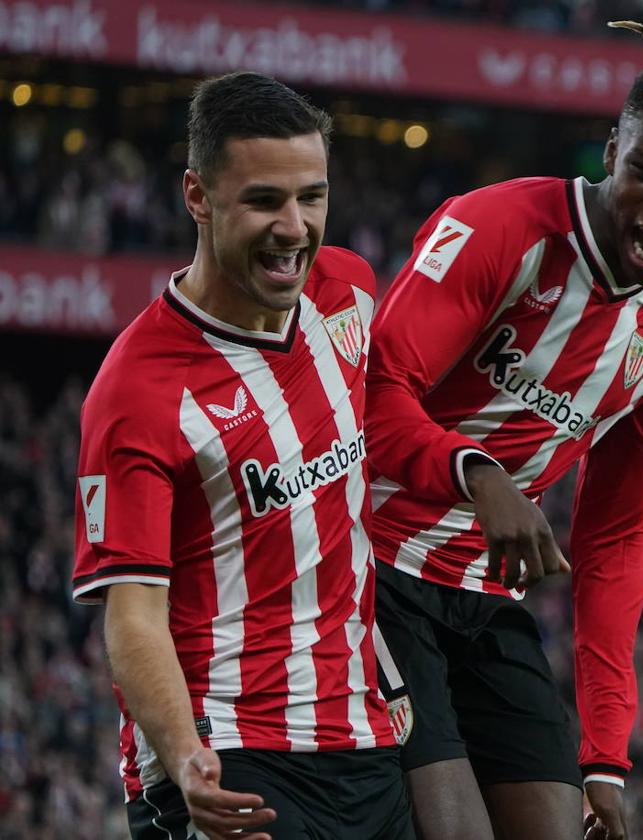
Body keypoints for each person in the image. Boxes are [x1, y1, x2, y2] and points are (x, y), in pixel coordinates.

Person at [363, 3, 643, 838]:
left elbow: (617, 551)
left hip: (484, 600)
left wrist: (606, 760)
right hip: (371, 569)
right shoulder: (498, 227)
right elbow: (370, 397)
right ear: (613, 148)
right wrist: (477, 474)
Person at [72, 72, 413, 840]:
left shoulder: (348, 293)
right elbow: (132, 617)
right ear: (198, 196)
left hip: (366, 743)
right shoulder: (137, 389)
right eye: (265, 200)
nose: (295, 227)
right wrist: (185, 754)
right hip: (230, 757)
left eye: (313, 197)